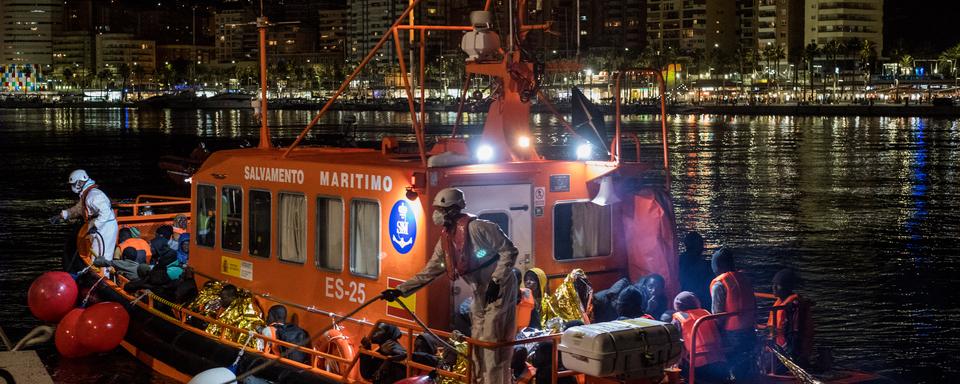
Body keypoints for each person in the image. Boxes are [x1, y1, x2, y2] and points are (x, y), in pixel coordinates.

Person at [382, 188, 519, 384]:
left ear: (453, 210)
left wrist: (496, 281)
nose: (436, 214)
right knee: (477, 340)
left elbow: (509, 251)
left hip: (501, 287)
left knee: (492, 341)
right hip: (480, 289)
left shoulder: (479, 228)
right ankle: (478, 380)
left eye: (440, 209)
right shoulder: (446, 240)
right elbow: (430, 271)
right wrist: (400, 291)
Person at [52, 169, 118, 271]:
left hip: (105, 228)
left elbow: (105, 213)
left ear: (79, 182)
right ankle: (100, 277)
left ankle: (104, 280)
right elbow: (79, 209)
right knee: (96, 256)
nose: (72, 187)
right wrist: (62, 215)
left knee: (101, 256)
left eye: (73, 184)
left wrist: (96, 226)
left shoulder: (94, 195)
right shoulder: (87, 194)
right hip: (99, 226)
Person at [710, 247, 757, 381]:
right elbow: (754, 303)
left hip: (732, 335)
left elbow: (718, 315)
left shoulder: (719, 284)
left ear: (717, 265)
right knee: (746, 368)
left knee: (731, 369)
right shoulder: (744, 278)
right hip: (749, 331)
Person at [671, 292, 726, 382]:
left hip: (696, 364)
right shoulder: (706, 314)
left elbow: (675, 344)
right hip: (718, 359)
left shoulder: (678, 320)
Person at [768, 269, 812, 366]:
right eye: (773, 284)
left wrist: (792, 357)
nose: (774, 287)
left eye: (778, 285)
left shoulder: (794, 306)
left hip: (788, 353)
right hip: (777, 348)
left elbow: (795, 336)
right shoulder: (781, 303)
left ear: (787, 287)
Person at [679, 232, 712, 310]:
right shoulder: (705, 266)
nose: (702, 248)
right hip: (700, 302)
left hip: (683, 298)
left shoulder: (677, 261)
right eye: (701, 245)